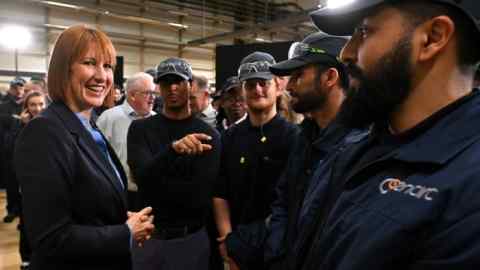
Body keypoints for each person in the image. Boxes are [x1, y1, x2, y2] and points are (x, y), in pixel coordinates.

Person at [297, 1, 480, 269]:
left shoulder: (469, 192)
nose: (346, 54)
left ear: (432, 38)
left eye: (364, 32)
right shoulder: (354, 150)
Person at [13, 25, 154, 270]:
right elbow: (51, 239)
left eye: (107, 66)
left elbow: (87, 205)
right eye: (89, 63)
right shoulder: (44, 133)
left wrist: (120, 218)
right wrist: (124, 233)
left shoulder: (89, 127)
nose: (102, 76)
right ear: (63, 69)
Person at [127, 57, 221, 270]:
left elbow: (199, 193)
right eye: (166, 82)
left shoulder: (209, 135)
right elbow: (143, 178)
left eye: (178, 81)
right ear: (159, 87)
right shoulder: (140, 129)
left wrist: (159, 169)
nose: (173, 88)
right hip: (150, 238)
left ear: (191, 85)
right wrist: (174, 150)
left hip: (190, 238)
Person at [213, 52, 299, 270]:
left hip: (279, 247)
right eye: (251, 85)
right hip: (238, 248)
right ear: (243, 90)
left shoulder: (295, 137)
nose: (257, 90)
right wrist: (228, 243)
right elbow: (220, 193)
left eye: (263, 83)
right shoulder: (230, 137)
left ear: (278, 87)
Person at [97, 72, 157, 212]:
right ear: (132, 95)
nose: (152, 99)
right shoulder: (109, 118)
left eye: (154, 94)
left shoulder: (157, 121)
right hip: (116, 194)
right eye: (148, 93)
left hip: (149, 196)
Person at [6, 91, 48, 270]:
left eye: (41, 104)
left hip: (49, 183)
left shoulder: (51, 124)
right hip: (27, 185)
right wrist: (21, 126)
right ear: (26, 107)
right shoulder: (19, 125)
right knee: (27, 224)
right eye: (33, 105)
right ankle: (26, 258)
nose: (37, 108)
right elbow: (9, 150)